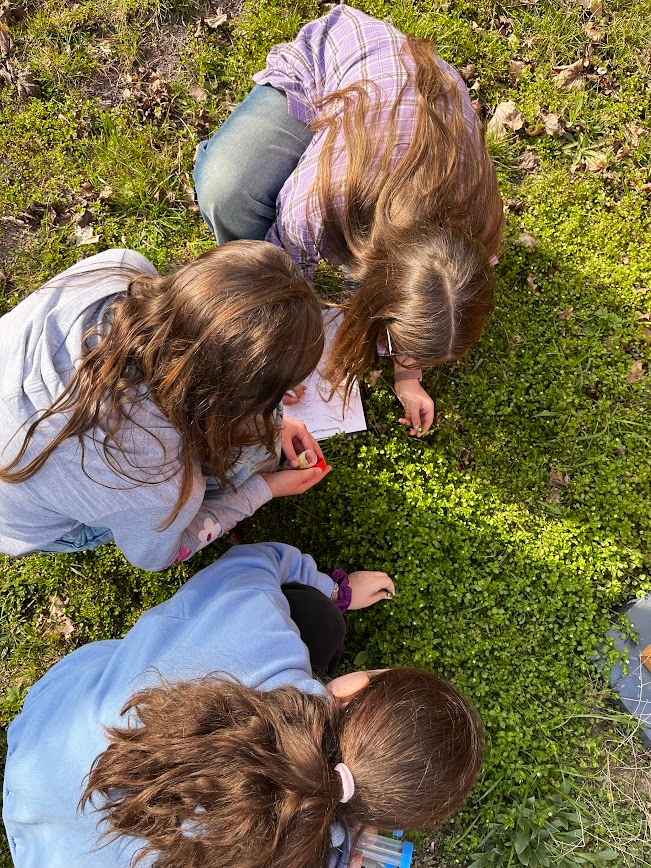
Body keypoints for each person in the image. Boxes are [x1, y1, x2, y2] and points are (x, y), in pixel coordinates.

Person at [2, 542, 483, 868]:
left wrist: (335, 590)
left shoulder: (256, 625)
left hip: (40, 749)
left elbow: (254, 562)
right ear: (373, 816)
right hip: (42, 853)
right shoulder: (310, 851)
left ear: (357, 687)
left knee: (318, 618)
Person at [194, 4, 505, 437]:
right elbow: (284, 272)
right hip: (337, 63)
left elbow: (435, 295)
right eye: (403, 346)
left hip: (413, 96)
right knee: (229, 192)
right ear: (379, 285)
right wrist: (277, 356)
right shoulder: (322, 207)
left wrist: (408, 374)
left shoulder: (478, 230)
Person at [0, 243, 329, 571]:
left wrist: (262, 403)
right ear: (223, 401)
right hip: (33, 525)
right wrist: (262, 489)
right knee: (253, 456)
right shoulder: (161, 488)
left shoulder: (119, 270)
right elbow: (160, 556)